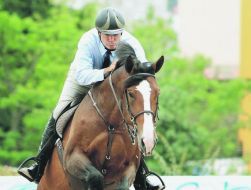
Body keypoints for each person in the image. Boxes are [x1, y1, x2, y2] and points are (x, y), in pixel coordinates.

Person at [18, 7, 164, 190]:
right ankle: (38, 164)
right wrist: (105, 72)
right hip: (84, 79)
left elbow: (141, 73)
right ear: (98, 32)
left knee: (130, 120)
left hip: (116, 87)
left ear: (122, 32)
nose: (112, 40)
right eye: (107, 35)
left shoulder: (132, 43)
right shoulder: (88, 41)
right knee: (59, 112)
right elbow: (82, 75)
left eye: (116, 35)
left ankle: (142, 177)